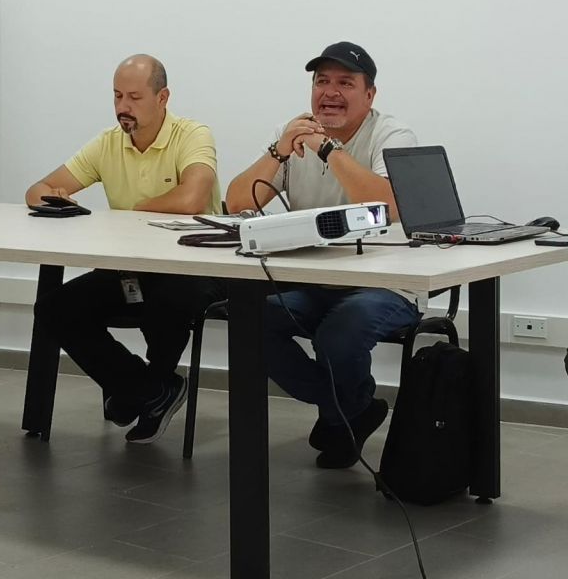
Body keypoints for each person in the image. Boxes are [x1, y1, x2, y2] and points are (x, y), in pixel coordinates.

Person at [225, 41, 420, 468]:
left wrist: (328, 148)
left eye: (345, 83)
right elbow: (236, 201)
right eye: (321, 82)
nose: (329, 92)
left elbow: (387, 206)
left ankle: (340, 413)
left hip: (388, 284)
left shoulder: (393, 135)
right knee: (249, 318)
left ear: (369, 95)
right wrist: (279, 150)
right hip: (315, 281)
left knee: (340, 331)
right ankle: (351, 408)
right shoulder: (293, 133)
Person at [28, 54, 228, 444]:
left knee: (166, 298)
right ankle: (149, 389)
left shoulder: (192, 135)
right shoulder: (107, 144)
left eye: (134, 97)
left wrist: (134, 211)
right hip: (131, 267)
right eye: (117, 96)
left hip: (194, 267)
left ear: (163, 97)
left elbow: (191, 199)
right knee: (54, 308)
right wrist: (57, 200)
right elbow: (36, 190)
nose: (123, 107)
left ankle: (144, 388)